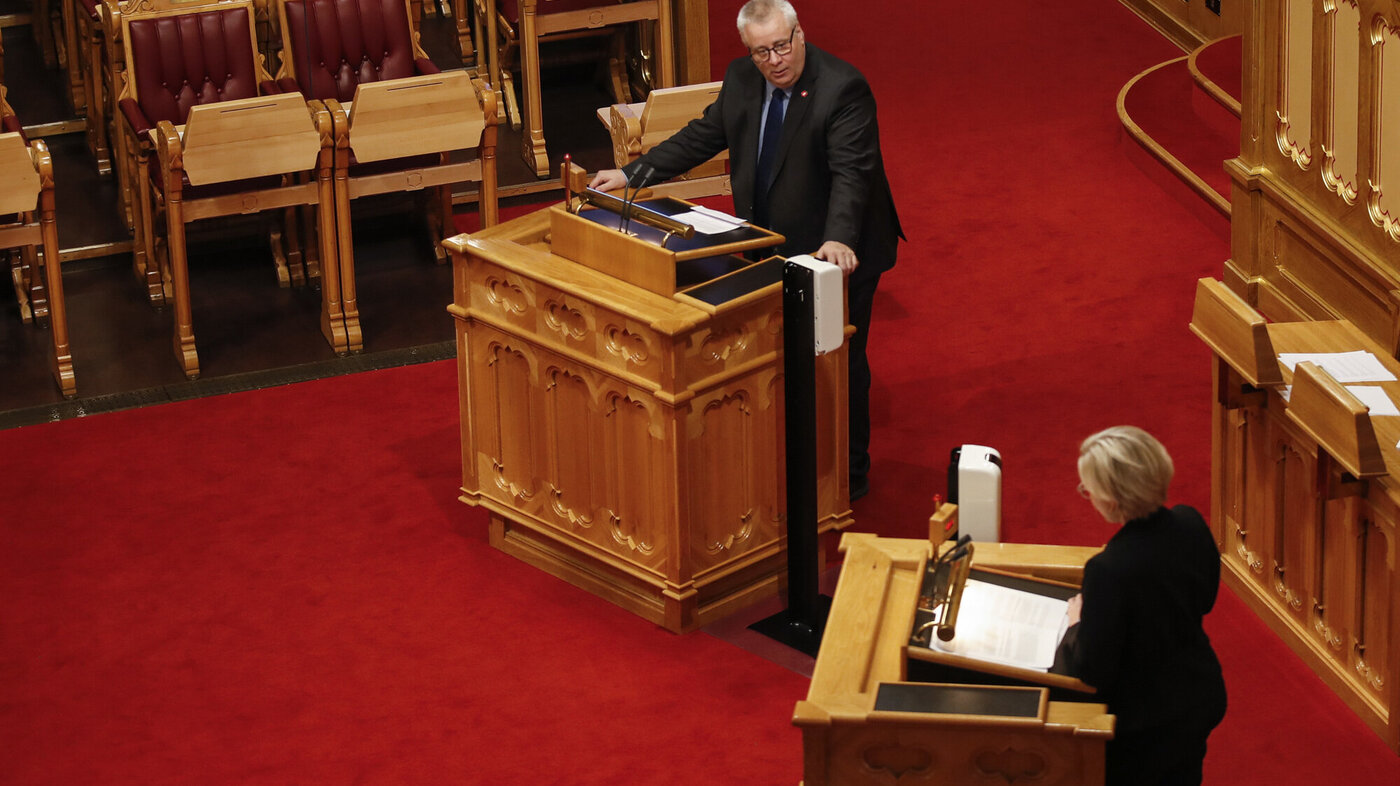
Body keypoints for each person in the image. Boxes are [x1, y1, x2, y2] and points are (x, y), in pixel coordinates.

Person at [588, 0, 902, 501]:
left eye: (782, 45)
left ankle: (850, 472)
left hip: (841, 250)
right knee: (782, 351)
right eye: (762, 52)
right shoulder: (741, 79)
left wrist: (838, 237)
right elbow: (703, 136)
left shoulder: (842, 87)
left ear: (800, 34)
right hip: (772, 241)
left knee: (839, 356)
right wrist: (632, 174)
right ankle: (789, 453)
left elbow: (852, 172)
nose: (775, 60)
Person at [1052, 426, 1227, 786]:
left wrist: (1076, 622)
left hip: (1144, 723)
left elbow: (1092, 670)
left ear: (1111, 501)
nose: (1088, 496)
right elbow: (1206, 599)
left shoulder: (1108, 570)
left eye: (1088, 490)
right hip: (1198, 694)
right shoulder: (1190, 521)